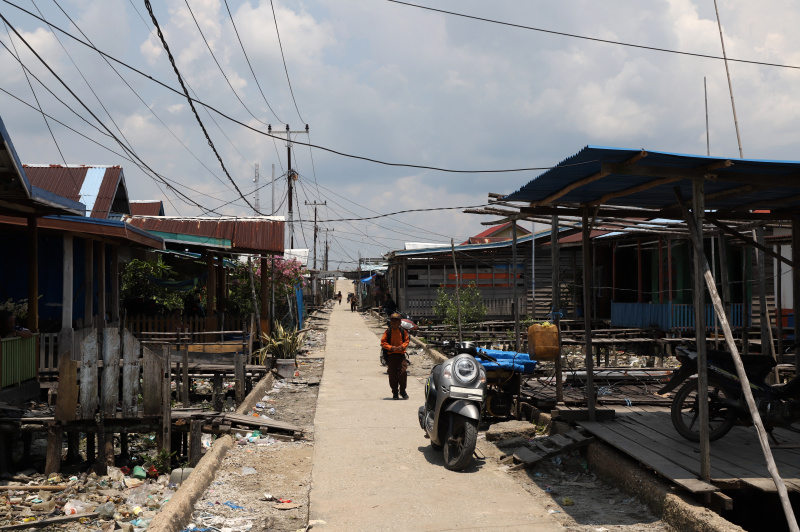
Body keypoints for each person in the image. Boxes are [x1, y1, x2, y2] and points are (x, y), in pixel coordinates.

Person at [381, 312, 410, 400]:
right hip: (391, 356)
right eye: (392, 321)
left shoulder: (403, 331)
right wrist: (390, 347)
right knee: (392, 375)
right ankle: (395, 392)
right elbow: (383, 342)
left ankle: (402, 391)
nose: (394, 323)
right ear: (390, 322)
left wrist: (402, 346)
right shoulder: (388, 331)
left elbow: (407, 341)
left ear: (400, 322)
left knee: (403, 372)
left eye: (396, 321)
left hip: (401, 356)